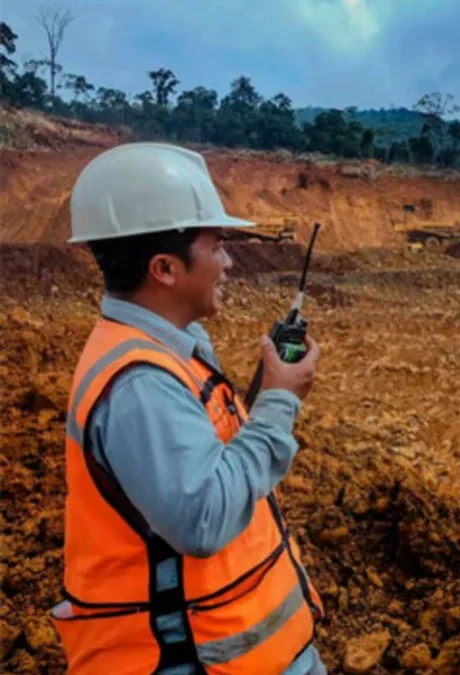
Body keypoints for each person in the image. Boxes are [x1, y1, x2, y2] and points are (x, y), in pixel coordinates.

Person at [50, 142, 327, 674]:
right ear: (165, 268)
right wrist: (278, 404)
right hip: (189, 657)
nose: (228, 262)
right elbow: (202, 519)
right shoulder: (141, 386)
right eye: (218, 245)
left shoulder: (167, 349)